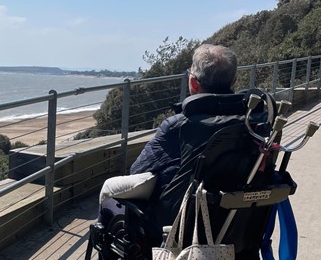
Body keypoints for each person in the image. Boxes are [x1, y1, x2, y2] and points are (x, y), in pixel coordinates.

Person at [98, 43, 239, 221]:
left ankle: (104, 243)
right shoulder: (254, 121)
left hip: (179, 219)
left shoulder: (180, 125)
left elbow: (138, 169)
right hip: (232, 219)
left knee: (109, 186)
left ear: (194, 83)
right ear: (234, 81)